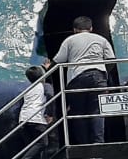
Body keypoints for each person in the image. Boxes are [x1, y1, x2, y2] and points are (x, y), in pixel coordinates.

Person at [47, 15, 116, 144]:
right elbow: (111, 60)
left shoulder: (70, 40)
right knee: (97, 110)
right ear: (91, 28)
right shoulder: (101, 39)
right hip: (98, 76)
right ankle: (98, 141)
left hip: (77, 76)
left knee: (78, 111)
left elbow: (58, 60)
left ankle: (83, 143)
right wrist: (105, 76)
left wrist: (46, 71)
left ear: (75, 29)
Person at [15, 65, 55, 159]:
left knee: (33, 146)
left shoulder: (29, 88)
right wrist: (50, 113)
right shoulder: (45, 85)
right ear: (43, 75)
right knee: (43, 143)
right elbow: (50, 95)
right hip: (36, 118)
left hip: (23, 119)